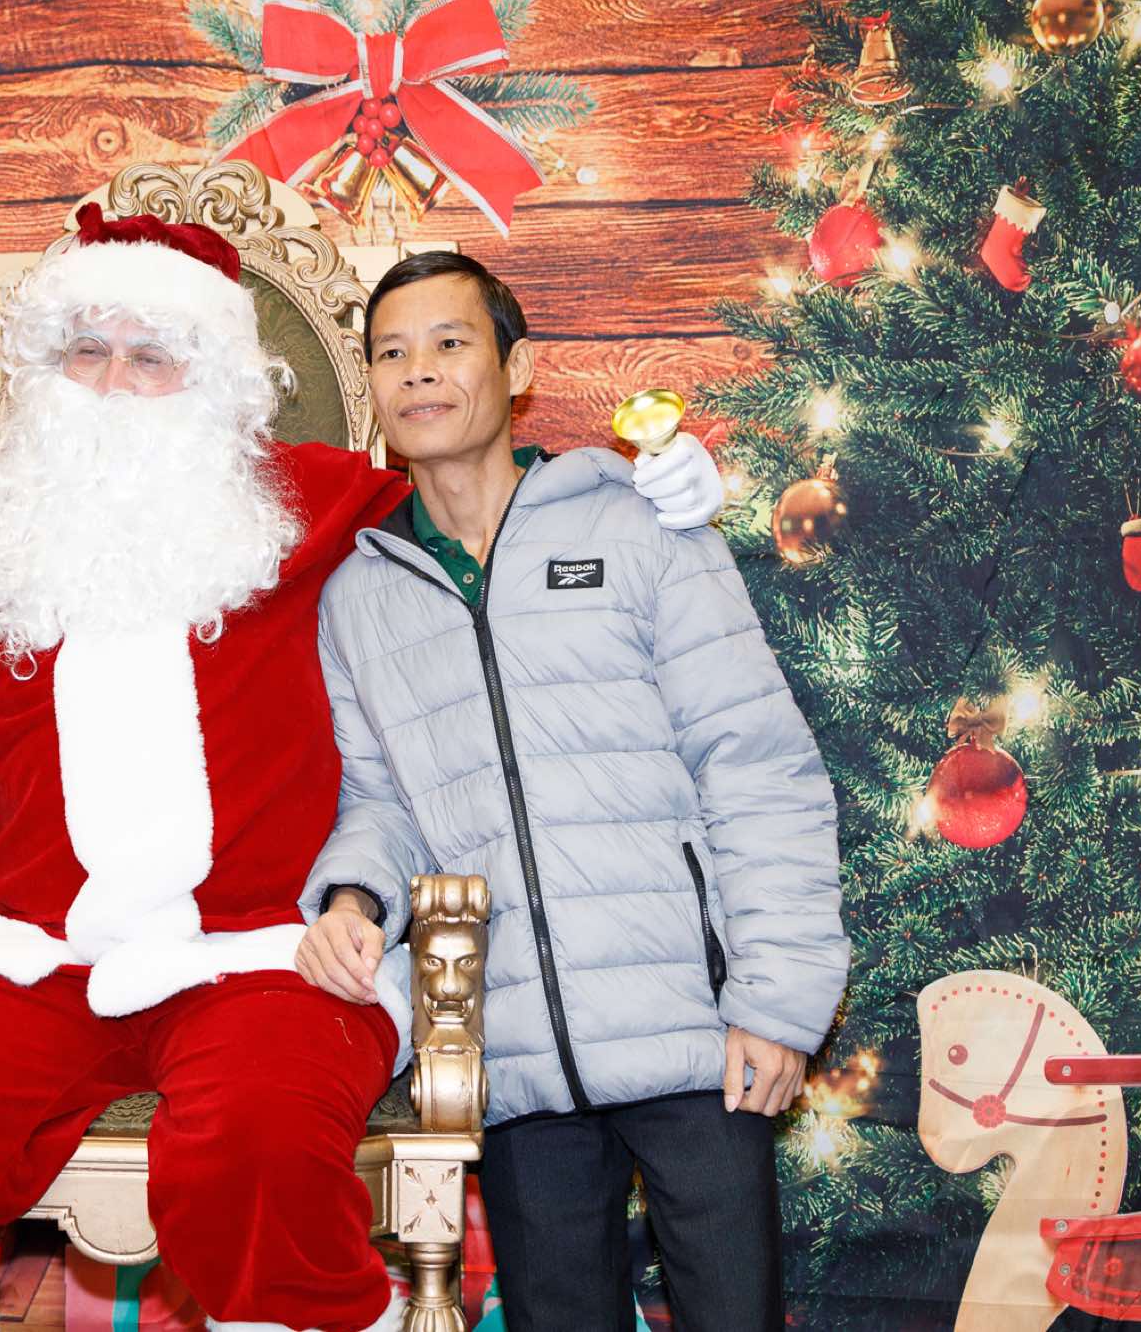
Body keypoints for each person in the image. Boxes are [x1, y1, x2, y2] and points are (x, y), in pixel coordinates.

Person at [0, 208, 727, 1332]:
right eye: (85, 350)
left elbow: (486, 512)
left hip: (265, 951)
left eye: (150, 356)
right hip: (31, 951)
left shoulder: (317, 506)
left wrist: (635, 495)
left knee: (256, 1152)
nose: (112, 383)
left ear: (209, 378)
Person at [295, 251, 847, 1332]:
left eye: (450, 343)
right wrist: (352, 898)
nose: (420, 372)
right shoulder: (358, 594)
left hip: (697, 1036)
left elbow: (753, 762)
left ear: (517, 370)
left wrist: (777, 1001)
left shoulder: (636, 528)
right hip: (512, 1060)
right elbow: (381, 799)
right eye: (392, 353)